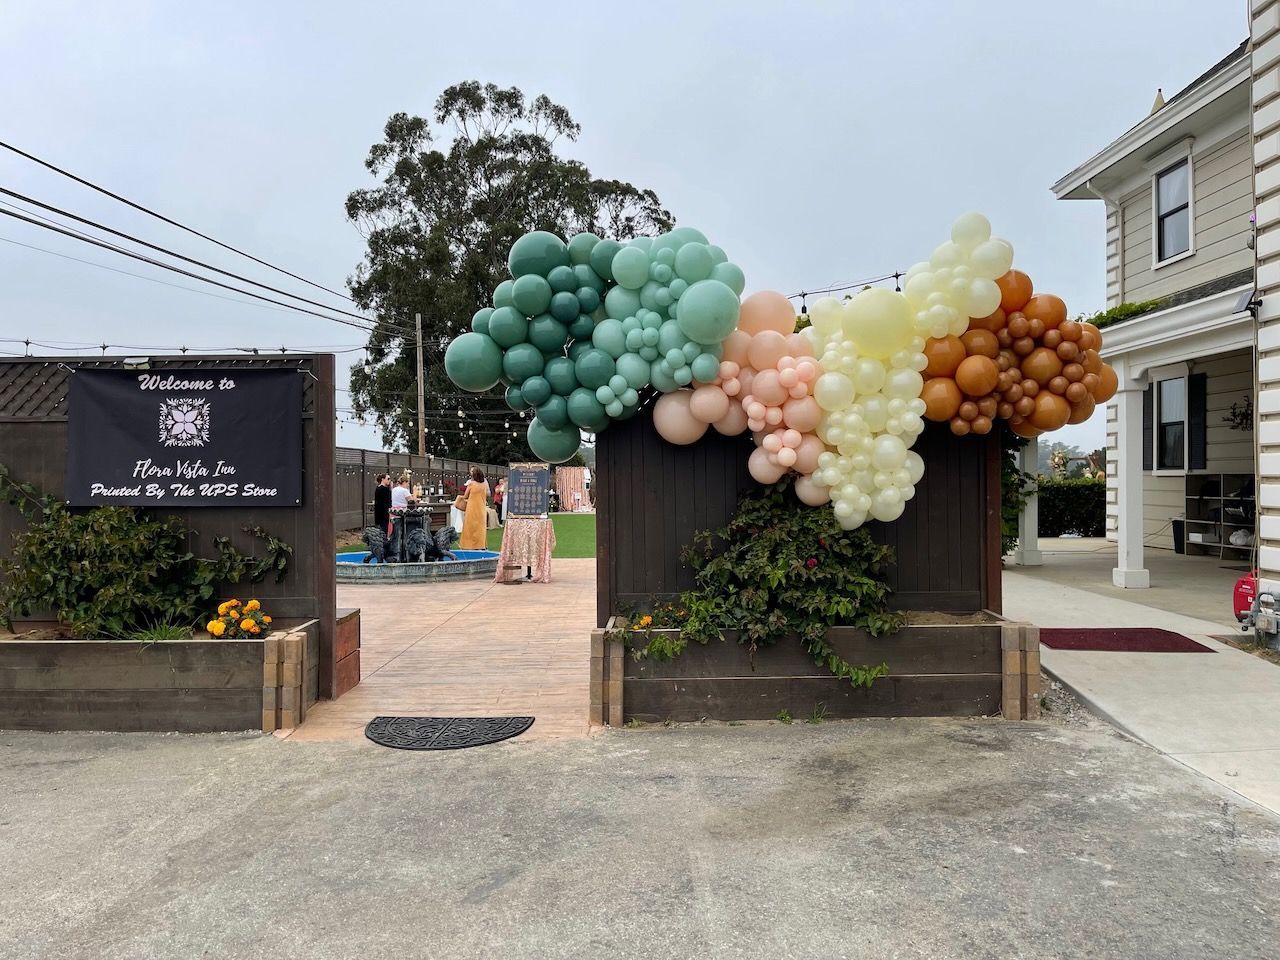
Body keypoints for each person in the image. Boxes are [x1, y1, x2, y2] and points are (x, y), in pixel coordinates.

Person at [459, 466, 490, 549]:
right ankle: (480, 544)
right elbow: (487, 494)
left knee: (469, 527)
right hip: (481, 508)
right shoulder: (484, 485)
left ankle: (467, 545)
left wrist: (459, 498)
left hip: (472, 508)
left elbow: (465, 496)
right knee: (480, 527)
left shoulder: (471, 484)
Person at [365, 474, 393, 564]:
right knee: (384, 534)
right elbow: (389, 501)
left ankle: (377, 553)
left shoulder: (378, 488)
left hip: (380, 515)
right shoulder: (384, 489)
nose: (389, 480)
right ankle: (382, 554)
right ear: (382, 479)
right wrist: (391, 488)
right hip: (384, 515)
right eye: (388, 479)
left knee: (382, 533)